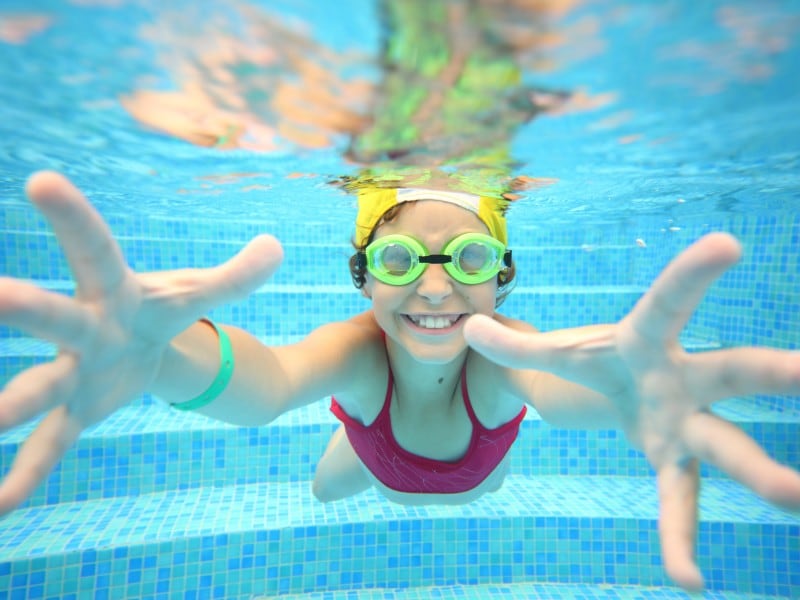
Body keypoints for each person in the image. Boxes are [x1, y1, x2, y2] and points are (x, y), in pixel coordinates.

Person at [1, 170, 798, 595]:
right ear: (363, 279)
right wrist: (163, 358)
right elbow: (270, 382)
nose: (436, 288)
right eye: (397, 261)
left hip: (475, 467)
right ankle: (351, 428)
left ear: (502, 279)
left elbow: (566, 386)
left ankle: (374, 435)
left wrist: (629, 389)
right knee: (325, 489)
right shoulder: (356, 349)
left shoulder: (507, 354)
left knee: (478, 485)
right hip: (371, 450)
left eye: (471, 259)